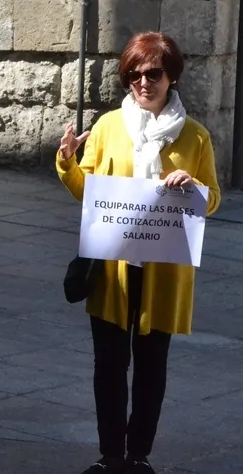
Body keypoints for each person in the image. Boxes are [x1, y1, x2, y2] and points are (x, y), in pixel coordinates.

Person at [56, 31, 221, 474]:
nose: (143, 83)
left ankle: (138, 457)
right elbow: (89, 193)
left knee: (151, 368)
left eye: (153, 73)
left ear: (171, 76)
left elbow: (212, 200)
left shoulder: (195, 136)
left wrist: (193, 186)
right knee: (109, 365)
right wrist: (68, 161)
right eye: (133, 75)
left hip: (163, 268)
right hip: (112, 267)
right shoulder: (109, 126)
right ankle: (110, 456)